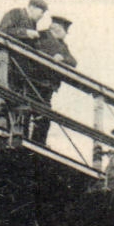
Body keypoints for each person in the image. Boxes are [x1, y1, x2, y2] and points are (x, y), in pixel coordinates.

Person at [0, 0, 50, 137]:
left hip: (18, 68)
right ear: (32, 7)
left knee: (16, 98)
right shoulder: (15, 14)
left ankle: (14, 129)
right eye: (40, 12)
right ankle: (0, 122)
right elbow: (3, 31)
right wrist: (26, 33)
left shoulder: (33, 24)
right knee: (1, 95)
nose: (41, 16)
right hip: (2, 62)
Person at [22, 16, 76, 144]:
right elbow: (32, 49)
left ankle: (38, 145)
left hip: (48, 87)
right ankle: (24, 140)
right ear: (58, 28)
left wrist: (62, 58)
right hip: (33, 81)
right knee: (26, 110)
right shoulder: (41, 35)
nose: (65, 36)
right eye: (65, 32)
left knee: (44, 117)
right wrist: (51, 57)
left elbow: (73, 62)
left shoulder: (63, 46)